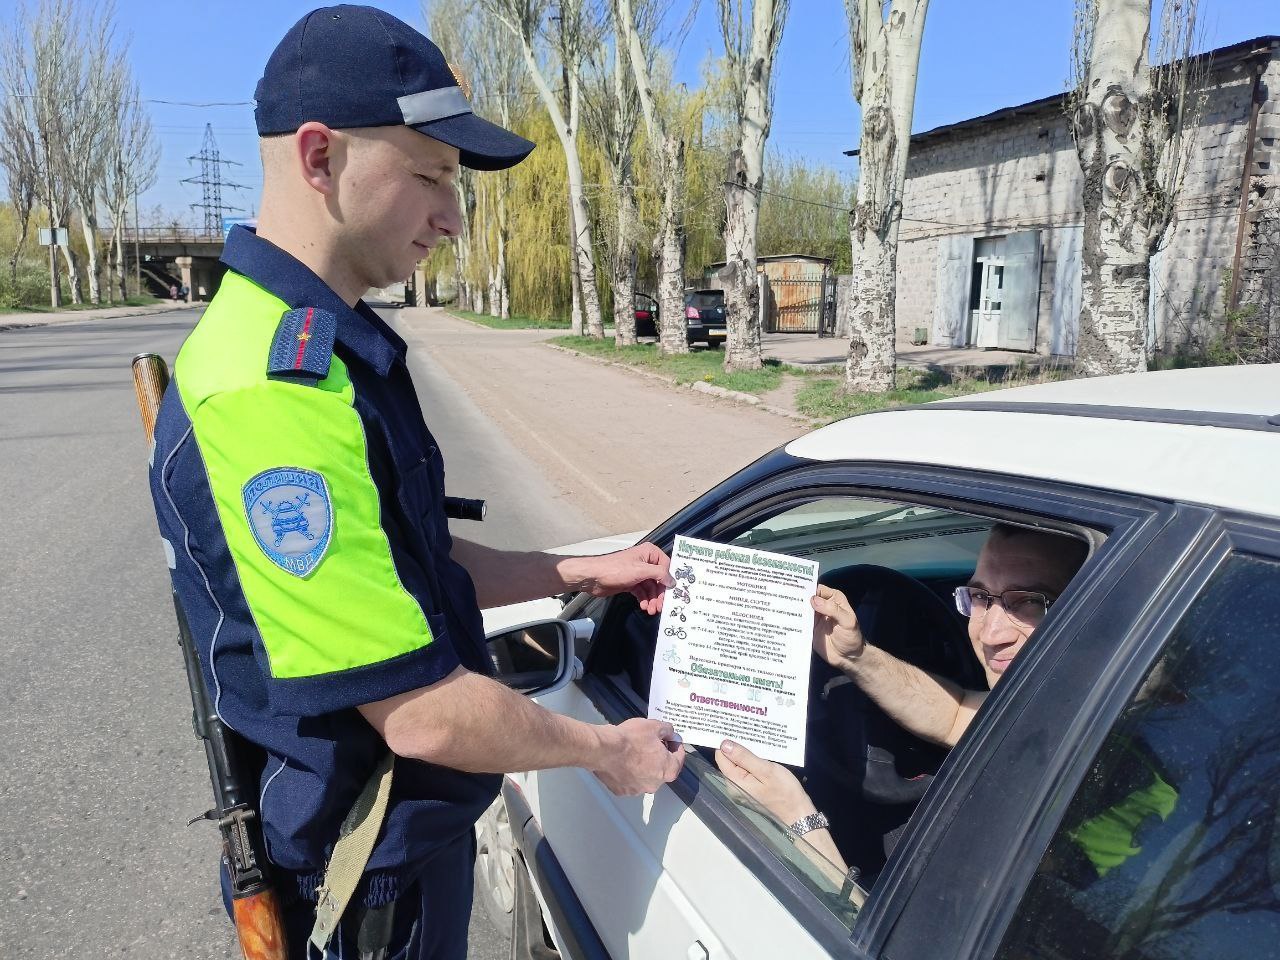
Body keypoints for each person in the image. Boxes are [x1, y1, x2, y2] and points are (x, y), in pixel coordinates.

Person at [146, 7, 682, 958]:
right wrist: (610, 754)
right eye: (431, 175)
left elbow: (413, 569)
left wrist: (578, 570)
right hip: (363, 886)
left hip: (390, 857)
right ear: (319, 158)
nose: (452, 215)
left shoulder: (319, 345)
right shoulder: (277, 390)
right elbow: (427, 714)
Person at [715, 524, 1088, 871]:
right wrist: (853, 656)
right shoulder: (1064, 705)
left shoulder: (1100, 775)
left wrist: (797, 819)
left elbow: (878, 934)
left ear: (1096, 605)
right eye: (979, 597)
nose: (989, 633)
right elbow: (958, 715)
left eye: (1029, 602)